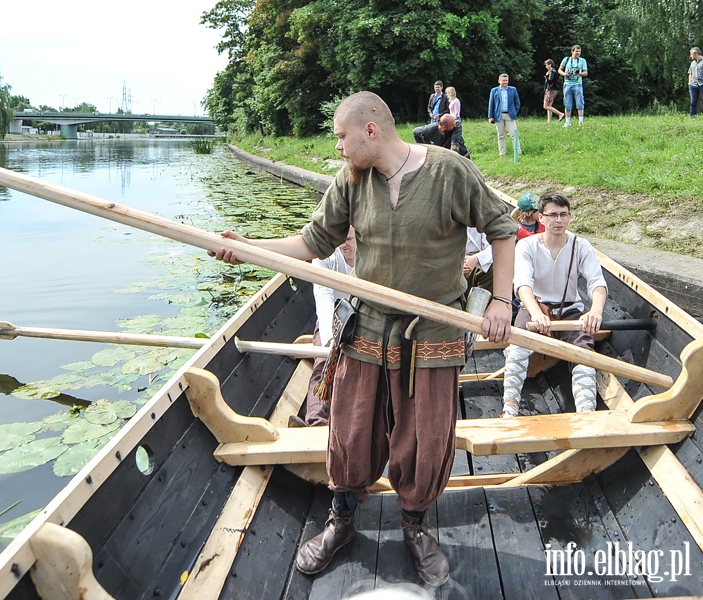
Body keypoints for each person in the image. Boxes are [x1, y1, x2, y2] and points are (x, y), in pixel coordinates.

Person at [210, 91, 517, 586]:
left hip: (434, 330)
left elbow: (503, 229)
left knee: (425, 438)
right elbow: (312, 243)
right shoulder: (351, 180)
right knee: (350, 431)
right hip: (369, 326)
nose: (338, 147)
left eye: (341, 136)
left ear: (371, 129)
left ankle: (415, 525)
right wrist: (250, 249)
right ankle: (342, 519)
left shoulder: (449, 171)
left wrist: (501, 302)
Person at [501, 192, 607, 418]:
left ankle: (586, 415)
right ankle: (510, 407)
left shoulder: (581, 245)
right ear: (541, 218)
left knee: (583, 356)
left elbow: (597, 282)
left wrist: (595, 311)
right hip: (535, 307)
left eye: (563, 215)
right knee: (517, 347)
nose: (558, 220)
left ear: (569, 218)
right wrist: (536, 313)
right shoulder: (527, 246)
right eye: (552, 215)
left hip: (569, 310)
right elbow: (523, 285)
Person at [294, 227, 357, 427]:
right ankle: (316, 420)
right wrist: (330, 341)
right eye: (339, 239)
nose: (342, 245)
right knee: (324, 362)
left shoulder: (372, 253)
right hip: (333, 320)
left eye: (348, 239)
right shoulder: (325, 254)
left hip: (366, 320)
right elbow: (323, 296)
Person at [487, 73, 521, 156]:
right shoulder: (494, 91)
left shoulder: (513, 90)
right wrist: (490, 116)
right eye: (503, 80)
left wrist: (514, 111)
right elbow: (491, 104)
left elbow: (517, 102)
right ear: (499, 81)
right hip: (499, 115)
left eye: (506, 80)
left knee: (514, 134)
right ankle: (502, 153)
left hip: (510, 115)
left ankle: (518, 152)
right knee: (500, 135)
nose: (505, 82)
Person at [558, 45, 588, 127]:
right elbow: (559, 70)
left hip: (577, 84)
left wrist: (578, 73)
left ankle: (581, 122)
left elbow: (585, 73)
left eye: (579, 51)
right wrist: (565, 74)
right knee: (567, 103)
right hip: (567, 84)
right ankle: (567, 122)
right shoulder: (566, 59)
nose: (578, 53)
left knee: (580, 103)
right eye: (576, 51)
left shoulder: (582, 61)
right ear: (572, 51)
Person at [463, 228, 494, 292]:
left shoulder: (483, 222)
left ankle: (479, 300)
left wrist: (476, 258)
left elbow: (495, 248)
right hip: (451, 266)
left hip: (474, 264)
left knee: (491, 268)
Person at [688, 47, 703, 117]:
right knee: (693, 102)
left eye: (691, 54)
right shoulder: (692, 63)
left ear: (696, 54)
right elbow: (690, 73)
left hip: (702, 84)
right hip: (693, 85)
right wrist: (689, 83)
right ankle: (692, 116)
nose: (690, 56)